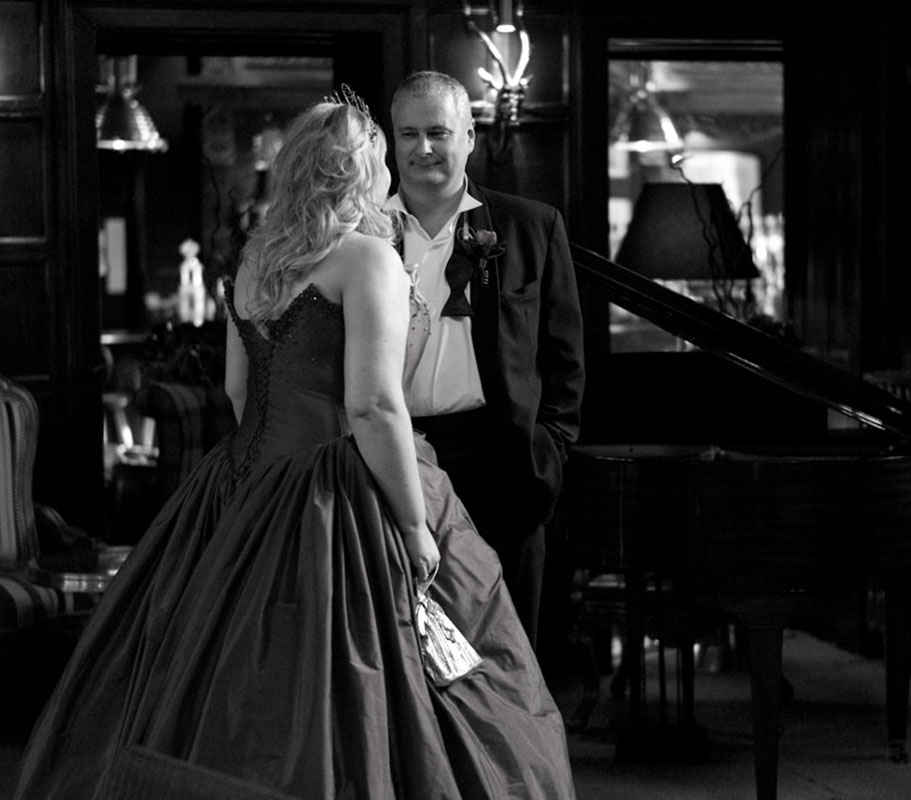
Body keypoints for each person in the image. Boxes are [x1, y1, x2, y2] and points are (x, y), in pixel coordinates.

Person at [15, 90, 576, 800]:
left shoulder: (256, 260)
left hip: (242, 477)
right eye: (382, 155)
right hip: (335, 487)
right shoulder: (367, 258)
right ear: (361, 170)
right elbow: (372, 406)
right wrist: (413, 526)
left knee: (229, 672)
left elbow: (238, 391)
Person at [387, 71, 585, 649]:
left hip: (505, 461)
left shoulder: (530, 226)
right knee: (409, 647)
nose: (423, 148)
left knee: (509, 648)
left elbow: (566, 357)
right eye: (408, 134)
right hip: (395, 460)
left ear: (470, 136)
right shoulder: (363, 234)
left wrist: (548, 448)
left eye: (438, 132)